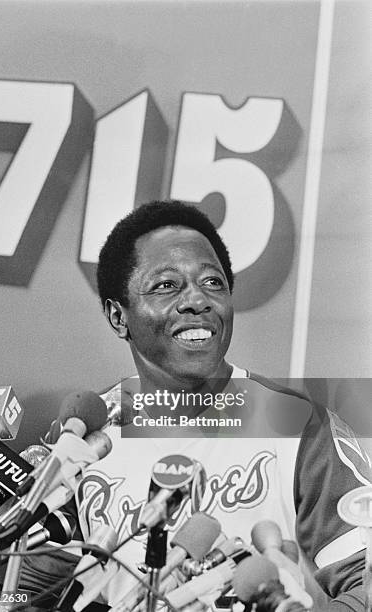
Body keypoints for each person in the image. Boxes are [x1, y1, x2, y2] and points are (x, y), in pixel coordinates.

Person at [21, 200, 369, 610]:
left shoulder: (295, 424)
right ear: (119, 317)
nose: (198, 301)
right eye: (167, 285)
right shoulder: (85, 433)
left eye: (213, 283)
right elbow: (14, 589)